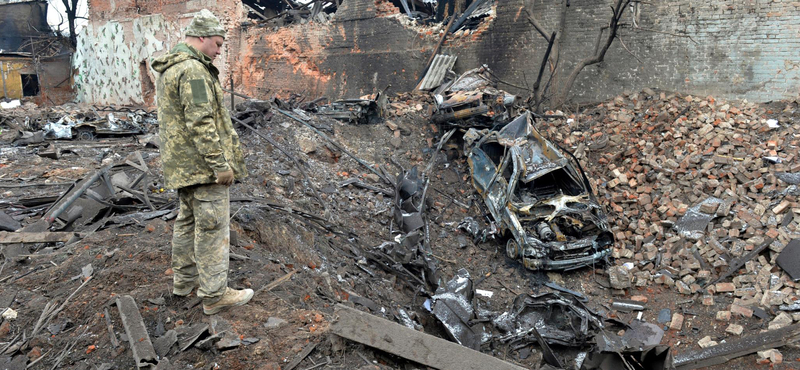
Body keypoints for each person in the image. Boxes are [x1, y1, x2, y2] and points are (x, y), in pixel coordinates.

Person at [151, 9, 253, 315]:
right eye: (218, 43)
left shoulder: (172, 67)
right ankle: (214, 295)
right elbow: (201, 121)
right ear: (201, 37)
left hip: (182, 168)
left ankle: (184, 283)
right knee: (212, 228)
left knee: (187, 223)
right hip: (202, 169)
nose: (220, 50)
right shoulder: (194, 72)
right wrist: (219, 164)